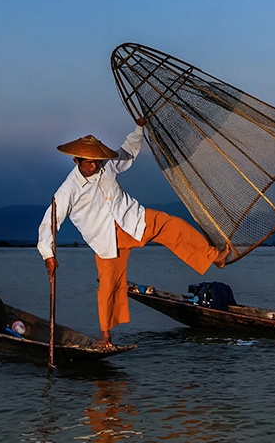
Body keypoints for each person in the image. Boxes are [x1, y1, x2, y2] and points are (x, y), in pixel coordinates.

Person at [38, 118, 230, 346]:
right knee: (108, 285)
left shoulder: (106, 164)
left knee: (172, 225)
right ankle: (106, 336)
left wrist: (139, 129)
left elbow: (126, 153)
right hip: (105, 239)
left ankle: (213, 257)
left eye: (97, 162)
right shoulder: (68, 189)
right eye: (89, 163)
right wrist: (48, 254)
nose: (95, 166)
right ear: (76, 161)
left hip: (132, 219)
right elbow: (50, 221)